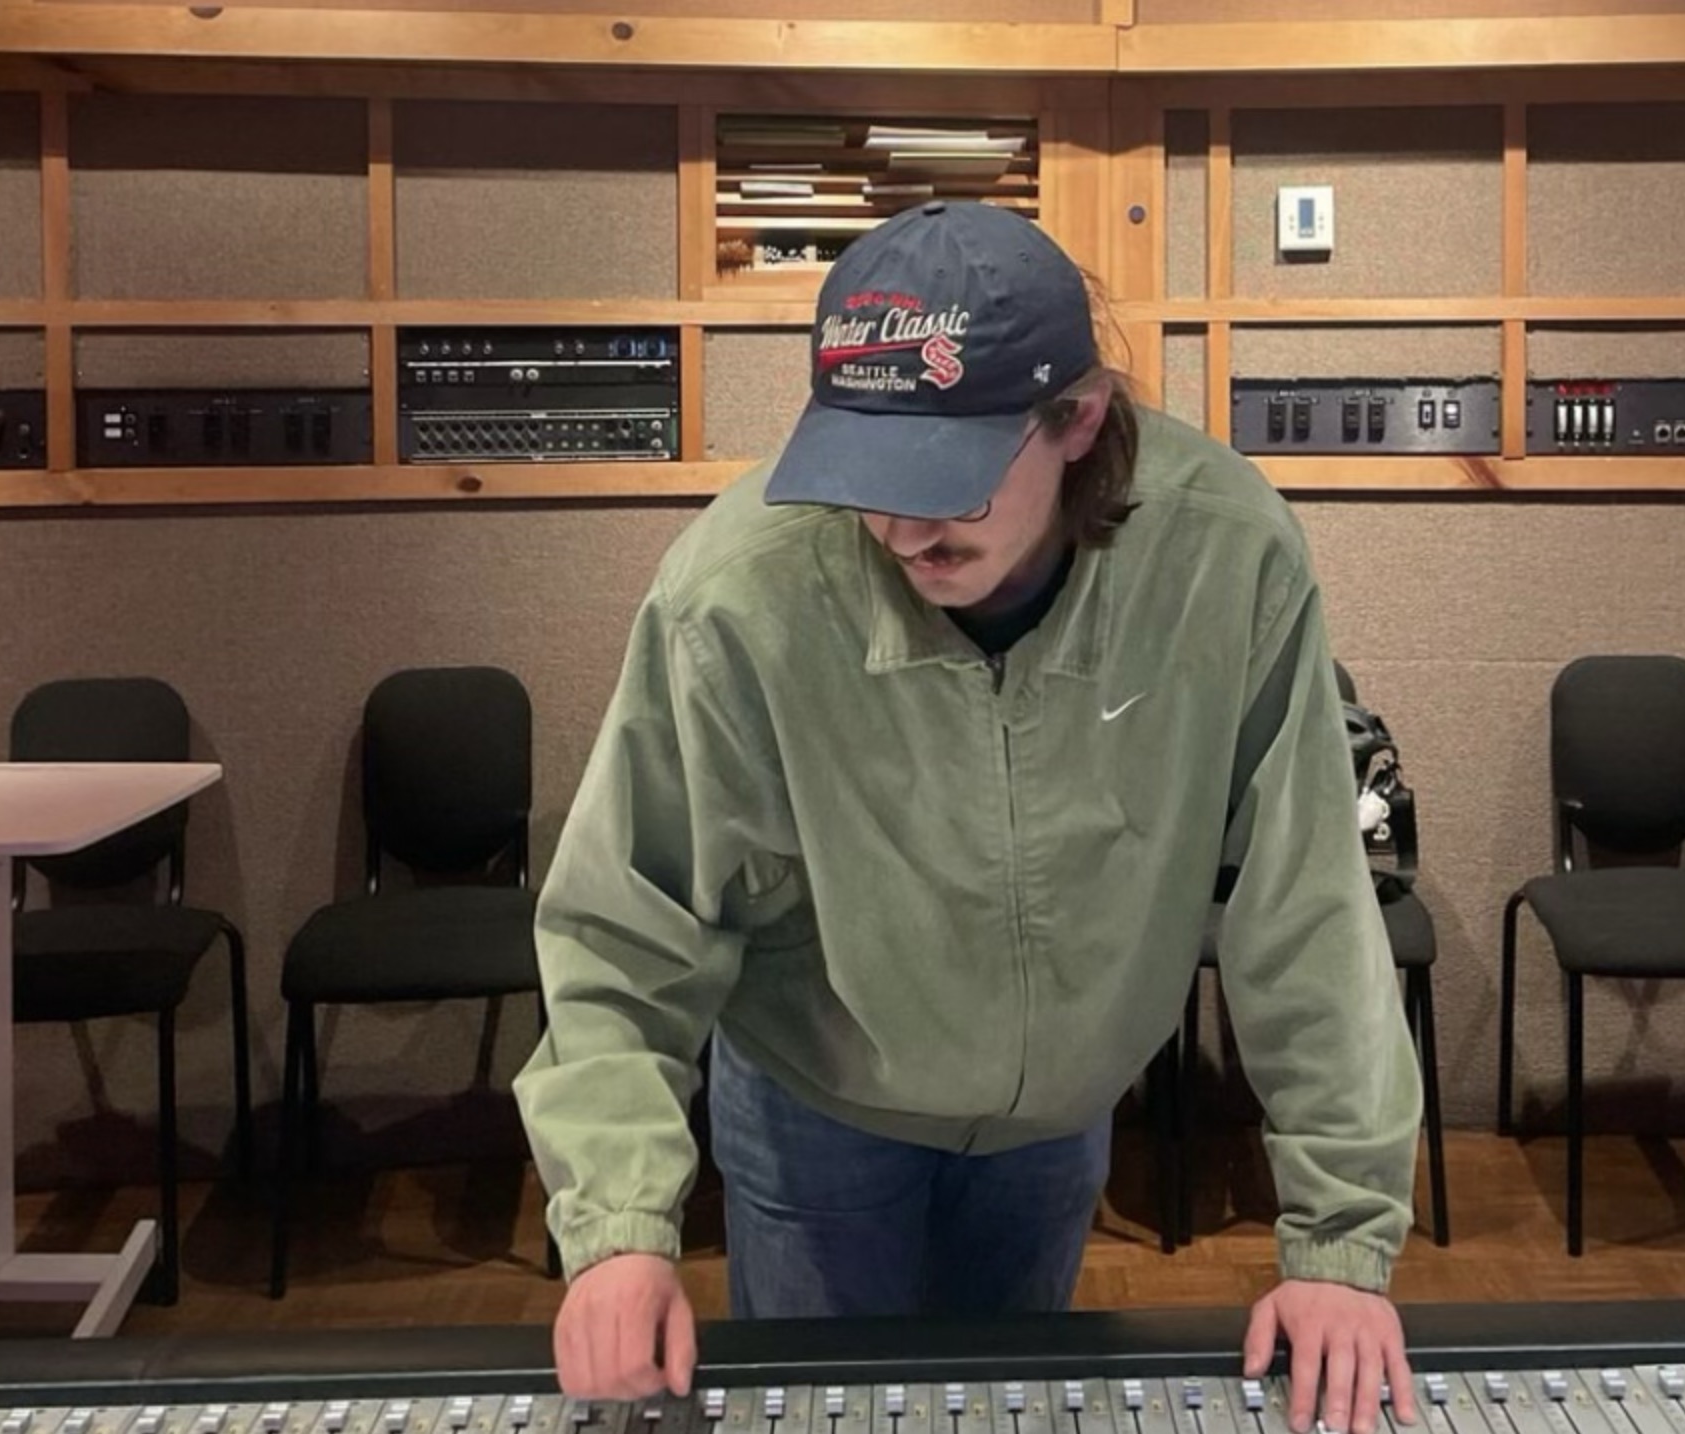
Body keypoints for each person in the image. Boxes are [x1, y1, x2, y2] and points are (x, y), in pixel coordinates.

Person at [514, 199, 1423, 1434]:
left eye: (943, 479)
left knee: (1004, 1413)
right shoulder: (737, 594)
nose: (903, 528)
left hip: (1059, 1114)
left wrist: (1340, 1244)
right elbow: (627, 920)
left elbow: (1303, 898)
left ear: (1078, 420)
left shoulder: (1227, 558)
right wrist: (619, 1225)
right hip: (819, 1102)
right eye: (867, 477)